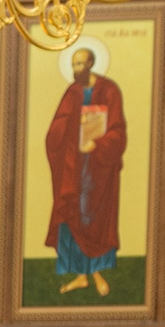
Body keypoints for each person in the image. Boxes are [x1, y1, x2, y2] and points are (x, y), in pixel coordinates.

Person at [42, 45, 127, 296]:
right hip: (73, 167)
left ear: (91, 63)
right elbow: (55, 131)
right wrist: (72, 123)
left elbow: (118, 130)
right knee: (73, 212)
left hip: (99, 168)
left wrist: (98, 144)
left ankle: (97, 272)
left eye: (80, 64)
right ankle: (80, 275)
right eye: (74, 65)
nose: (77, 69)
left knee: (96, 217)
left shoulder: (109, 89)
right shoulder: (72, 92)